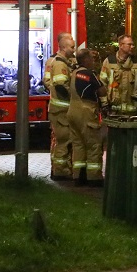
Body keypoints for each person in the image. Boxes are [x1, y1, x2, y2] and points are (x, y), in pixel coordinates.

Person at [67, 48, 107, 186]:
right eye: (92, 58)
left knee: (78, 144)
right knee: (93, 144)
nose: (93, 61)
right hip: (87, 111)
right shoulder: (90, 74)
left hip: (72, 111)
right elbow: (102, 90)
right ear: (85, 60)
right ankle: (94, 177)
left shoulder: (74, 73)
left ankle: (78, 176)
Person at [42, 33, 76, 179]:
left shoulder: (70, 61)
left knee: (66, 140)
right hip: (61, 107)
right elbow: (51, 82)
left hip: (66, 108)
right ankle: (58, 170)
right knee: (61, 140)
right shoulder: (55, 62)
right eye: (72, 46)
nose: (74, 49)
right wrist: (55, 91)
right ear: (62, 45)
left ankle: (62, 168)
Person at [99, 35, 137, 115]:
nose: (132, 47)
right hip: (113, 110)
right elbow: (103, 83)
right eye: (129, 44)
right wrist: (104, 104)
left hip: (133, 111)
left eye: (133, 44)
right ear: (120, 45)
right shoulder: (109, 62)